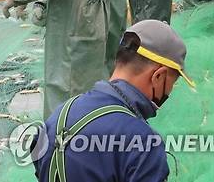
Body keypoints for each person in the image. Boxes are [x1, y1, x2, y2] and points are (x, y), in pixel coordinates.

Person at [34, 20, 195, 182]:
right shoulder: (143, 143)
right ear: (158, 76)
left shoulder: (57, 116)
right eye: (172, 83)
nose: (169, 92)